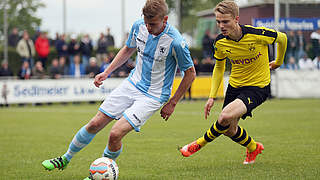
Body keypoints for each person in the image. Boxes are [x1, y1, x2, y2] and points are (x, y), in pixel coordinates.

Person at [41, 0, 196, 178]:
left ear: (165, 19)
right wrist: (106, 72)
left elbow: (190, 73)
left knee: (115, 134)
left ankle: (96, 176)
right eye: (146, 22)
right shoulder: (139, 26)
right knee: (94, 123)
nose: (148, 27)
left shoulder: (176, 42)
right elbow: (127, 49)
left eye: (152, 24)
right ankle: (65, 158)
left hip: (153, 95)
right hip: (132, 84)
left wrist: (173, 102)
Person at [179, 0, 287, 165]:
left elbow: (282, 38)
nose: (221, 25)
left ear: (236, 19)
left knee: (224, 116)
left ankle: (198, 144)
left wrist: (278, 61)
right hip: (235, 86)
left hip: (258, 87)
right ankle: (253, 147)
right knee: (229, 129)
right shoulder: (220, 42)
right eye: (218, 22)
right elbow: (219, 68)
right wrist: (211, 96)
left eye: (225, 21)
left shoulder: (257, 34)